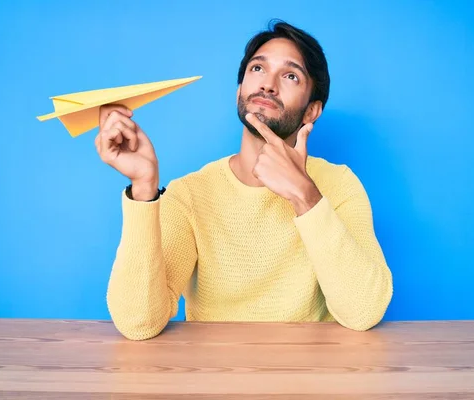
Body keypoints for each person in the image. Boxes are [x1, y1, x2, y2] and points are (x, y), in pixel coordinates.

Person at [96, 20, 393, 340]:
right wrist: (143, 188)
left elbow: (364, 311)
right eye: (257, 69)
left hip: (307, 381)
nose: (268, 84)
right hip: (216, 381)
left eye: (290, 75)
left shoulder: (338, 184)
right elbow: (138, 323)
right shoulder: (189, 195)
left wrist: (305, 196)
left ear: (312, 111)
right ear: (239, 91)